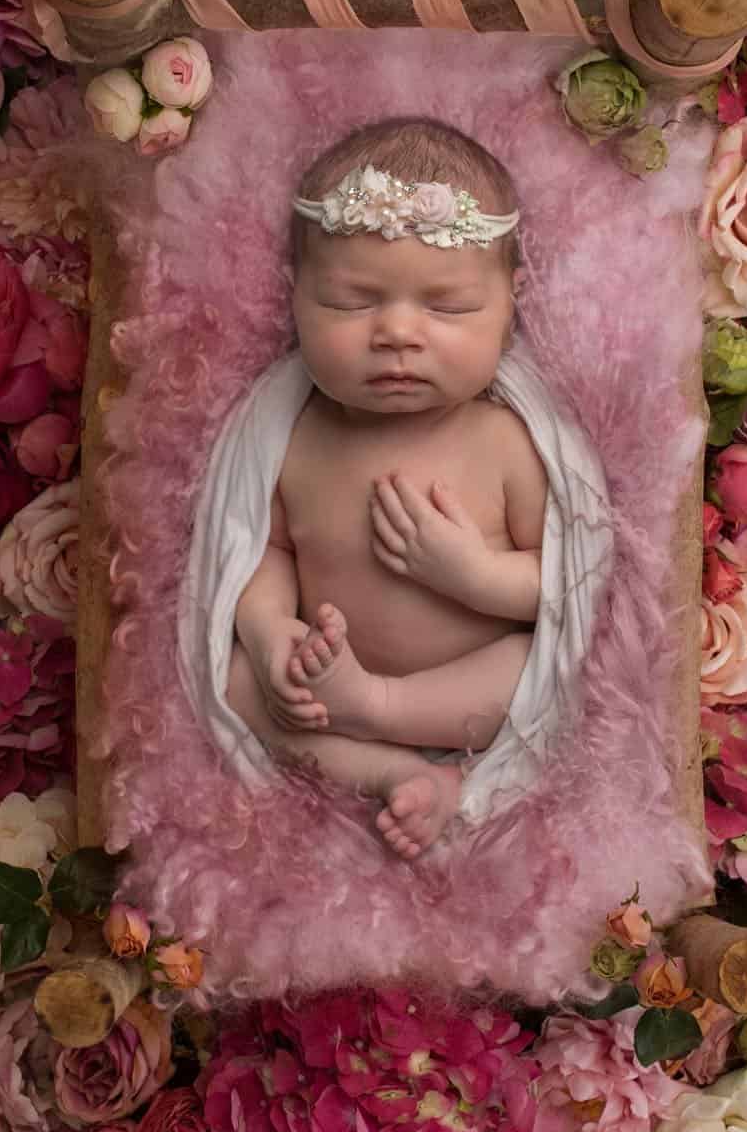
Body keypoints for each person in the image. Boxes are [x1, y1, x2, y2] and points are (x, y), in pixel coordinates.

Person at [223, 118, 548, 858]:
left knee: (529, 668)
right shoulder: (293, 436)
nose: (399, 332)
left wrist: (476, 576)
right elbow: (258, 551)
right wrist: (271, 631)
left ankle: (385, 712)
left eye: (449, 307)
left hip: (465, 699)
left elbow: (566, 588)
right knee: (237, 679)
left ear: (511, 302)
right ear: (295, 293)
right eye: (350, 301)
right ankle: (394, 772)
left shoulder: (503, 442)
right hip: (324, 696)